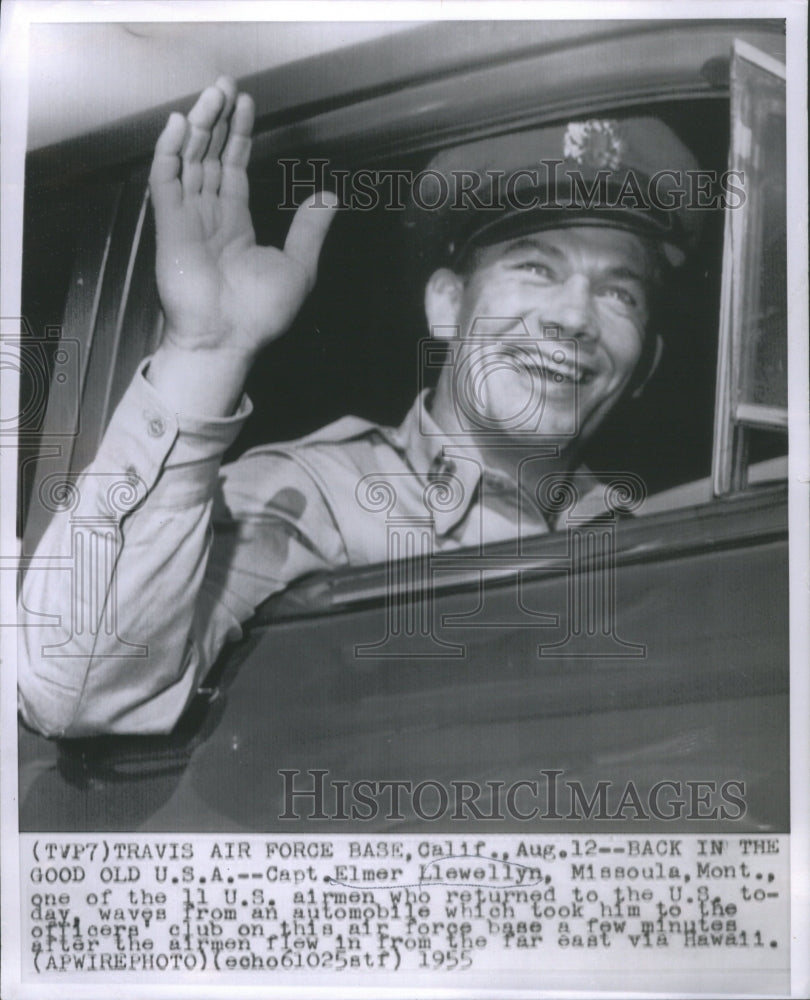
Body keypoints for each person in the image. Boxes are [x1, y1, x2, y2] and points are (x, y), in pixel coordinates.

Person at [18, 77, 700, 738]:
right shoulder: (315, 497)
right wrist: (208, 352)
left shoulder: (666, 539)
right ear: (446, 304)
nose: (575, 317)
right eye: (535, 268)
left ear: (646, 358)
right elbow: (72, 687)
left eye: (621, 294)